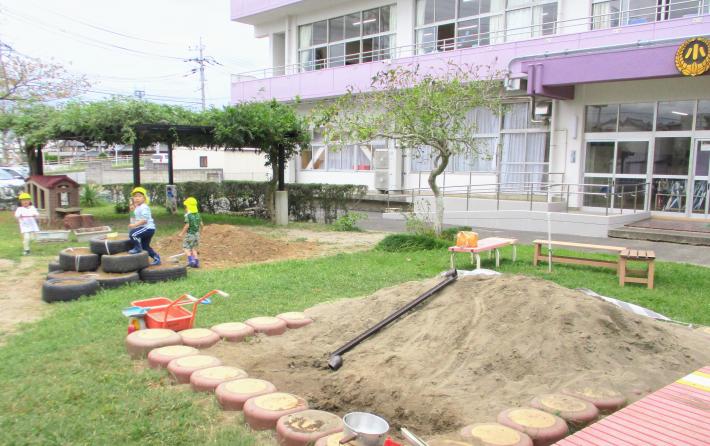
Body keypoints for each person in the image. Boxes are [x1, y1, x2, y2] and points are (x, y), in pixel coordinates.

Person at [127, 187, 161, 265]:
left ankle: (137, 248)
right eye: (135, 196)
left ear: (144, 198)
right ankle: (156, 258)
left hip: (147, 228)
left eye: (139, 196)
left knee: (133, 234)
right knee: (145, 246)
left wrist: (134, 225)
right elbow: (133, 218)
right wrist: (132, 210)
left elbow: (144, 220)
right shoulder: (137, 207)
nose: (137, 198)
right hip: (145, 228)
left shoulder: (144, 207)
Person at [179, 197, 203, 268]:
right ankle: (196, 262)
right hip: (197, 234)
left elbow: (187, 225)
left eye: (186, 207)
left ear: (189, 207)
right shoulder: (198, 215)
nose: (185, 208)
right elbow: (202, 225)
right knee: (194, 249)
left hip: (190, 234)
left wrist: (181, 233)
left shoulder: (188, 215)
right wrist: (200, 232)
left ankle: (191, 260)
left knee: (185, 247)